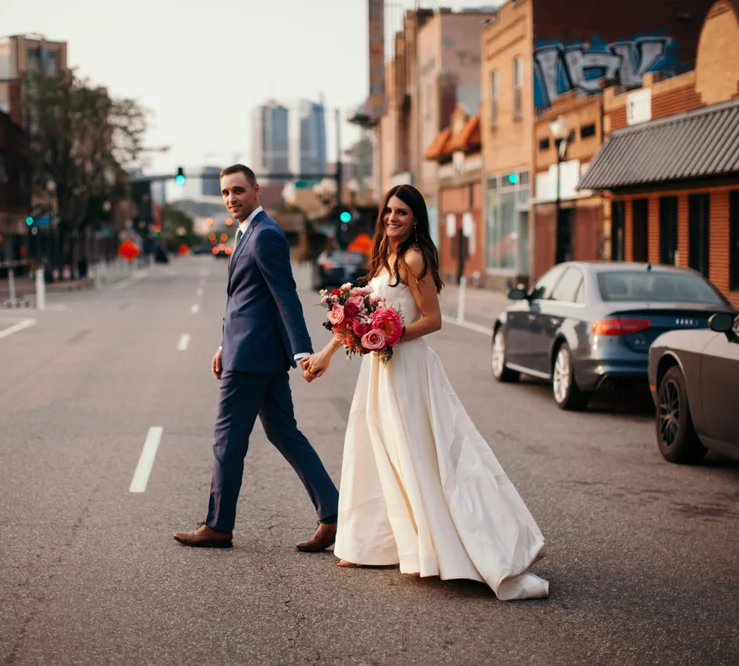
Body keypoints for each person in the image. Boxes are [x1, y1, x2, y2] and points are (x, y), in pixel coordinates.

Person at [303, 184, 549, 601]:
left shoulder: (415, 259)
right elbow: (358, 318)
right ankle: (372, 544)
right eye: (388, 212)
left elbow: (433, 320)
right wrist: (328, 351)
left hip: (408, 368)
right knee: (375, 446)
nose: (392, 218)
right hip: (380, 368)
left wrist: (389, 336)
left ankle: (453, 546)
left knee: (414, 454)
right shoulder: (386, 260)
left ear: (416, 218)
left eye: (401, 212)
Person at [174, 164, 339, 551]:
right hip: (250, 351)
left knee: (227, 442)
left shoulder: (265, 235)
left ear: (256, 190)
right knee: (285, 433)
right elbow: (244, 299)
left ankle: (218, 526)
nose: (231, 199)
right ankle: (332, 513)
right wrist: (222, 344)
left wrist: (303, 352)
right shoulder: (247, 231)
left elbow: (286, 295)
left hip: (249, 360)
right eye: (226, 193)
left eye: (238, 191)